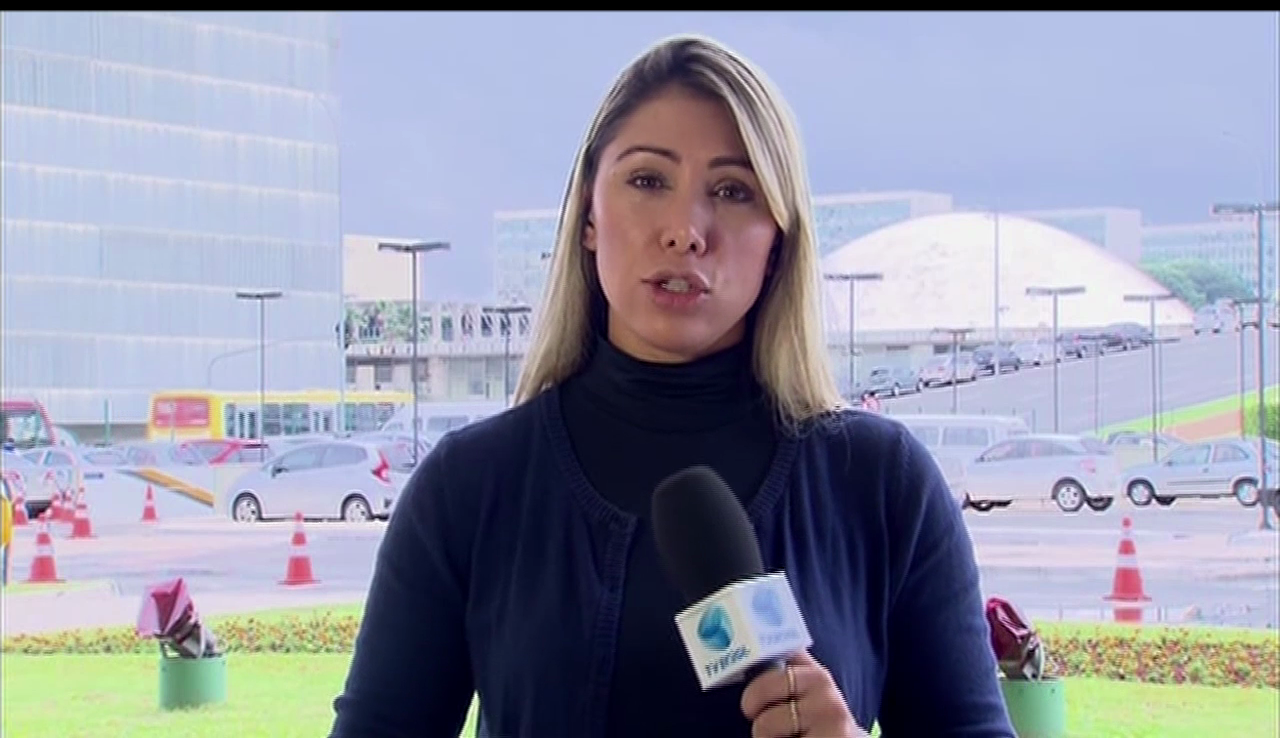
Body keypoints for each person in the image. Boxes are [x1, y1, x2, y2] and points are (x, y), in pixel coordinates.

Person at [330, 33, 1013, 738]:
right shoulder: (469, 487)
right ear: (588, 216)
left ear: (778, 240)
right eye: (648, 181)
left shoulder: (882, 484)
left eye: (733, 190)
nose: (686, 231)